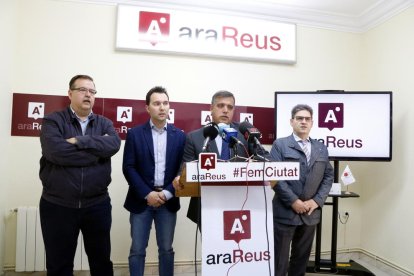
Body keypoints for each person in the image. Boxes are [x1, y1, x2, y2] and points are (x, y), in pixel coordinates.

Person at [39, 74, 121, 276]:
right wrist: (96, 153)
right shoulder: (53, 121)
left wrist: (79, 141)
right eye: (83, 90)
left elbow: (114, 144)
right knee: (59, 266)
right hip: (58, 205)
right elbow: (55, 152)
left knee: (101, 263)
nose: (88, 95)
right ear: (70, 93)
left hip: (97, 205)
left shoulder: (104, 123)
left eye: (92, 91)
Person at [122, 86, 186, 276]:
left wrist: (166, 193)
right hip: (141, 200)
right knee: (137, 250)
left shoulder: (180, 136)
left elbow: (181, 171)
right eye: (157, 103)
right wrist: (147, 193)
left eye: (165, 103)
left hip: (168, 201)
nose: (162, 107)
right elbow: (129, 167)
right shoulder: (135, 134)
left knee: (166, 249)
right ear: (147, 108)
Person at [270, 104, 334, 276]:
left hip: (310, 213)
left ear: (312, 123)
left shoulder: (321, 148)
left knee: (301, 261)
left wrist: (316, 201)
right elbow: (274, 177)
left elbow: (328, 177)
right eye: (299, 118)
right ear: (292, 122)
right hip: (285, 212)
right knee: (279, 262)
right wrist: (293, 201)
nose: (303, 122)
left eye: (307, 119)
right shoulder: (280, 145)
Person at [173, 90, 250, 227]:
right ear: (211, 108)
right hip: (206, 206)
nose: (225, 110)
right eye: (220, 106)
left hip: (241, 204)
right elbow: (185, 167)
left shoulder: (245, 135)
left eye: (230, 107)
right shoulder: (195, 137)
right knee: (211, 248)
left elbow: (264, 159)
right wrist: (180, 177)